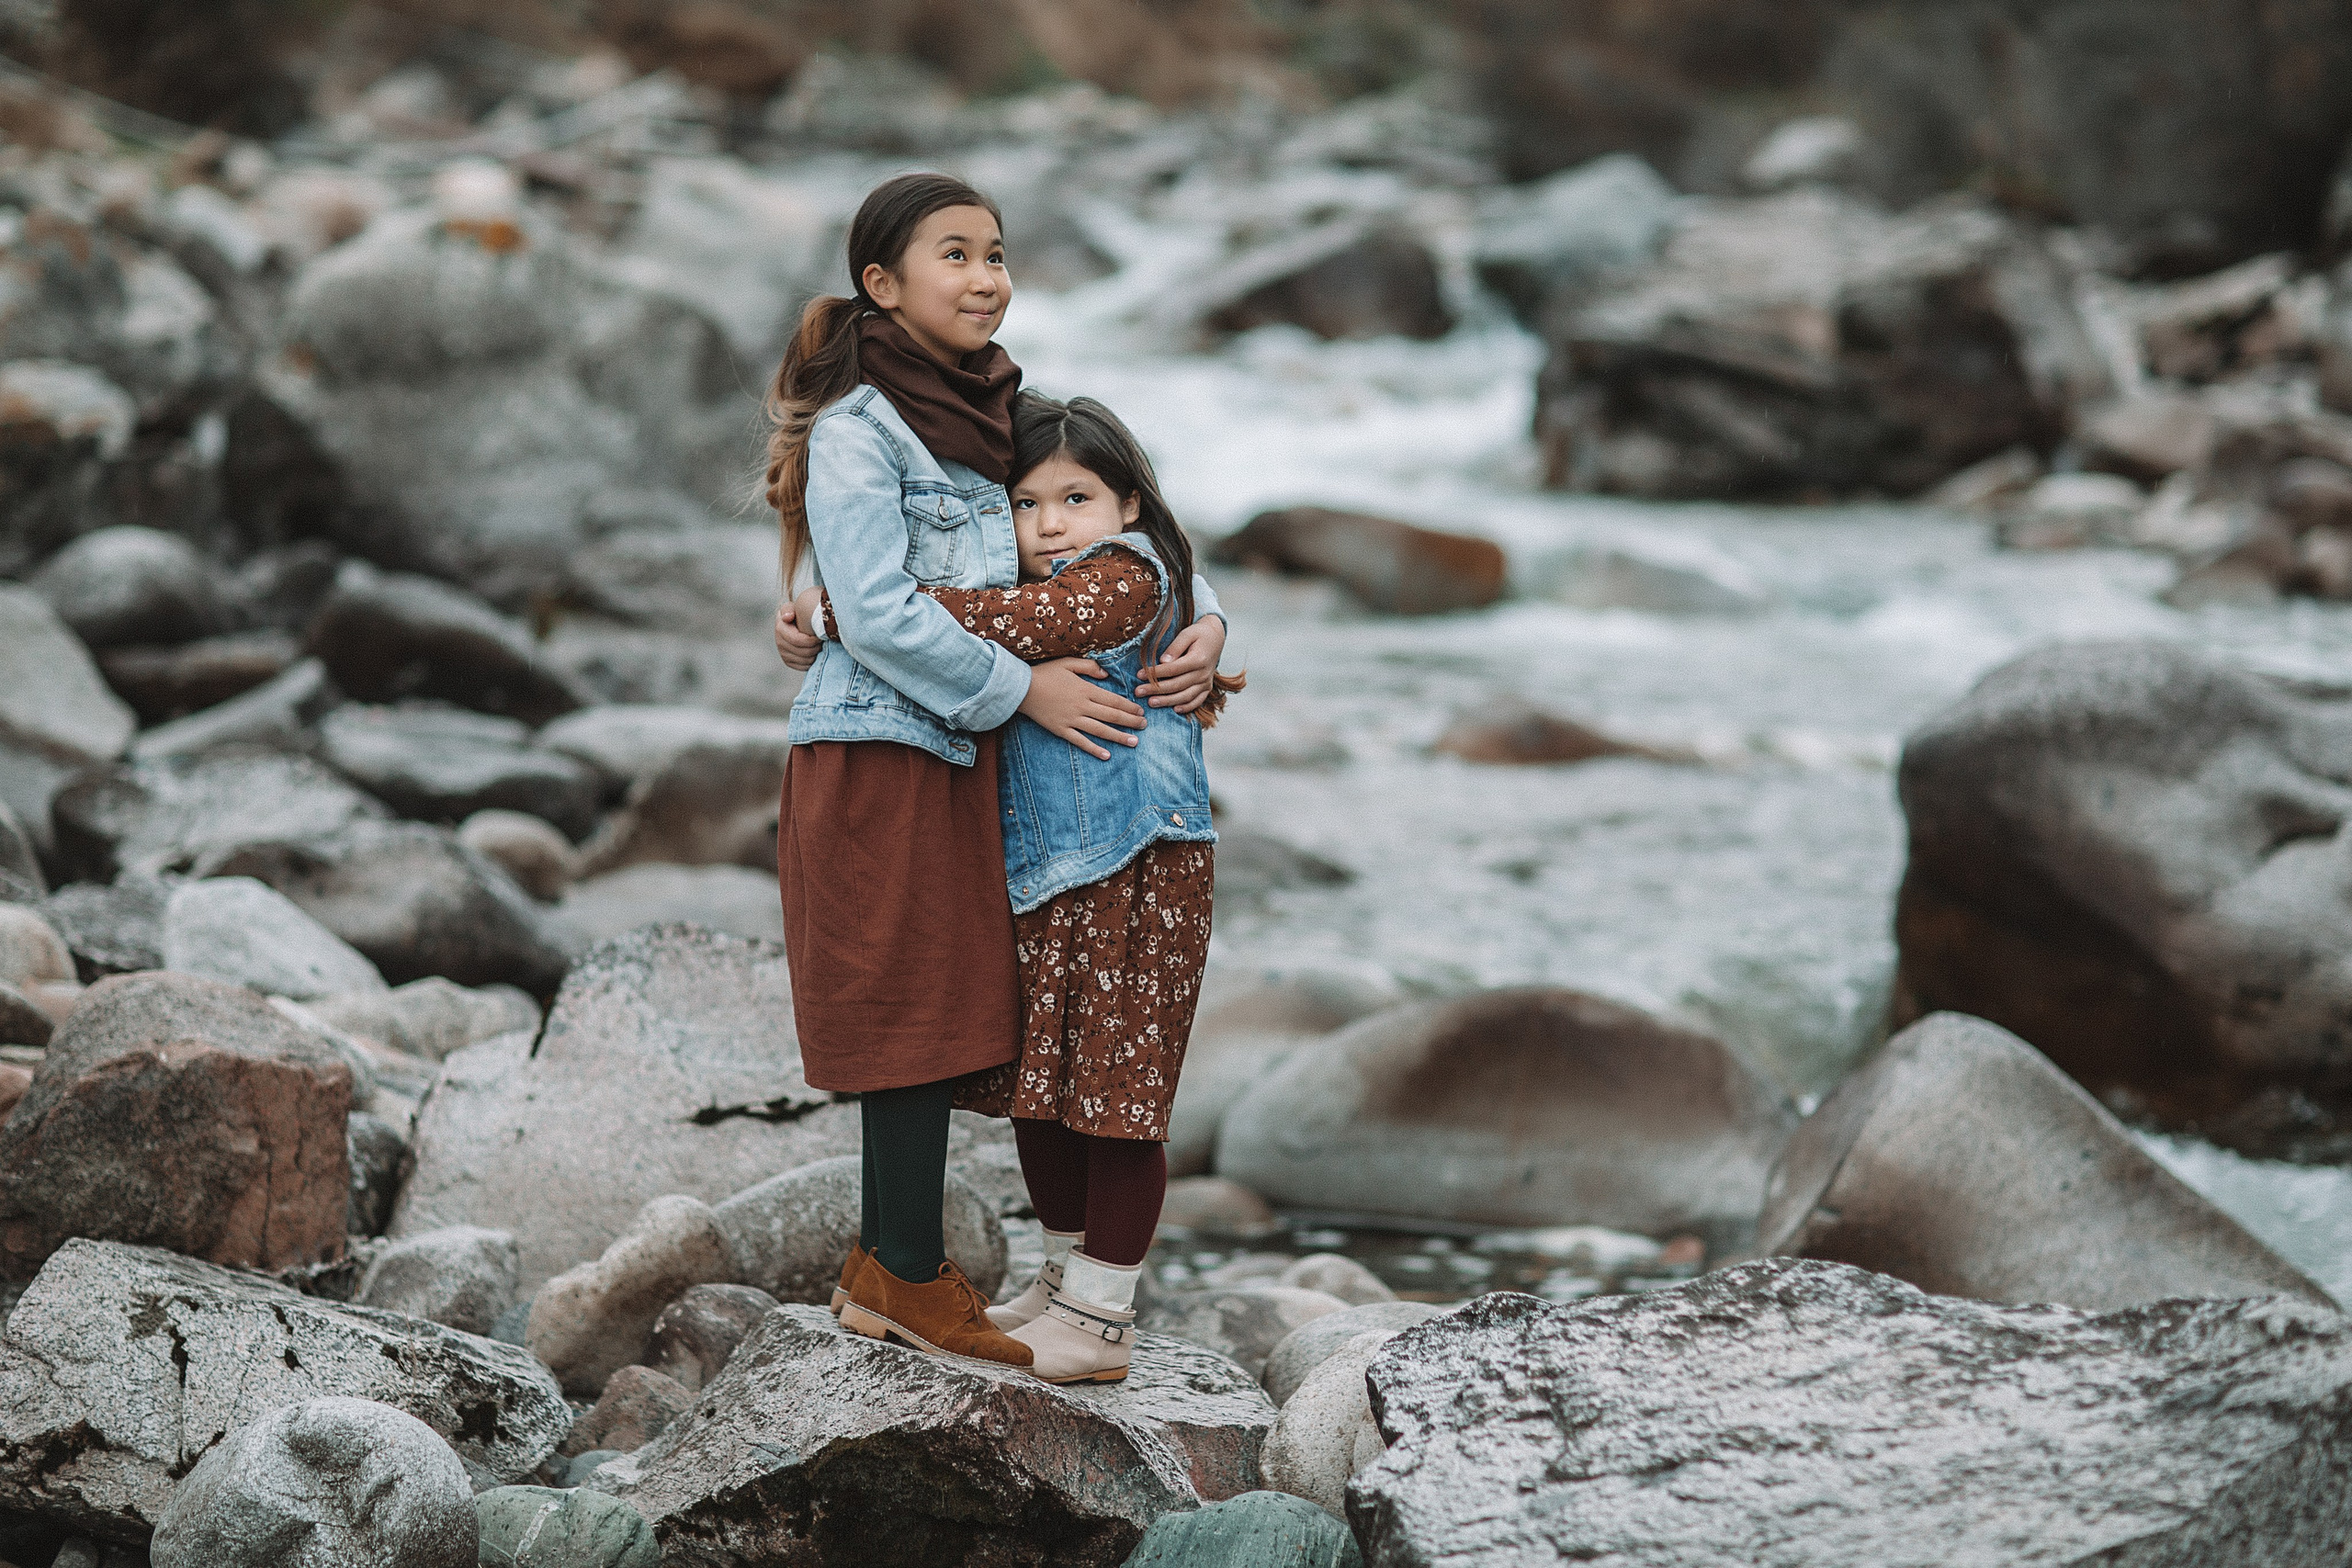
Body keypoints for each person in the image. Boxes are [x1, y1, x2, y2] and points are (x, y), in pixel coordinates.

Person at [765, 175, 1228, 1368]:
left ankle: (896, 1266)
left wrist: (1205, 616)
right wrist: (1021, 687)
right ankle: (905, 1270)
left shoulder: (995, 408)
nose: (986, 279)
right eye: (955, 257)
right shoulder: (864, 428)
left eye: (997, 255)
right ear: (884, 286)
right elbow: (875, 607)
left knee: (948, 1009)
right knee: (909, 1013)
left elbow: (1114, 515)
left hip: (967, 761)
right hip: (888, 743)